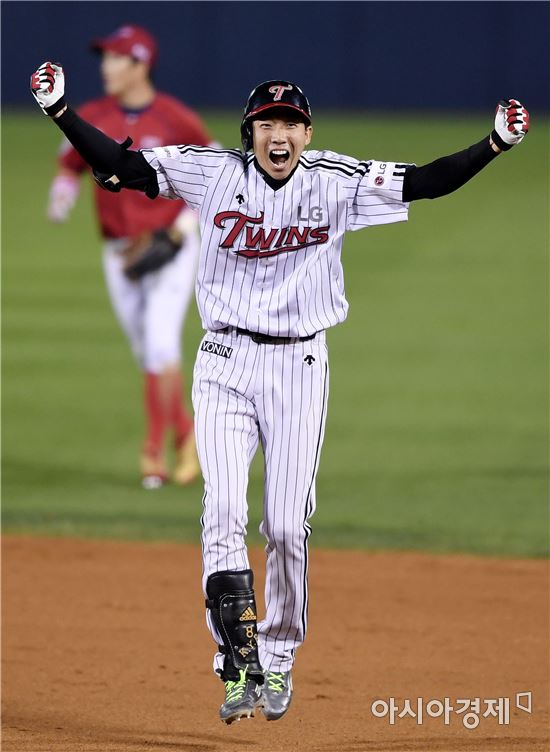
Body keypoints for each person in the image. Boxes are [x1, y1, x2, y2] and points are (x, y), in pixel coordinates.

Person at [30, 62, 529, 723]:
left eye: (291, 123)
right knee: (222, 516)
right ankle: (235, 662)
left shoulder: (336, 181)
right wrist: (61, 110)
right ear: (249, 131)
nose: (279, 133)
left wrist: (493, 144)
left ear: (307, 132)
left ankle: (280, 654)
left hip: (299, 366)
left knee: (288, 528)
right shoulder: (213, 173)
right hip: (224, 361)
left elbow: (429, 181)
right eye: (268, 123)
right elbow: (123, 166)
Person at [46, 26, 214, 488]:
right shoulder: (93, 116)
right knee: (147, 355)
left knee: (161, 344)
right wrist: (61, 196)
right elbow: (69, 165)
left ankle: (153, 451)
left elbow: (218, 172)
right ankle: (188, 432)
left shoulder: (177, 118)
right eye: (105, 58)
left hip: (173, 246)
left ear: (140, 64)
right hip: (120, 252)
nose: (105, 67)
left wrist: (185, 223)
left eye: (115, 59)